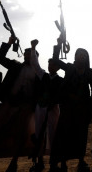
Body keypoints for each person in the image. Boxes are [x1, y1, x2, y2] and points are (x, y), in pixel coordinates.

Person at [0, 37, 39, 172]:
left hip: (26, 106)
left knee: (21, 134)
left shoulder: (39, 72)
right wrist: (9, 43)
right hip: (9, 102)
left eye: (32, 54)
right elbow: (0, 57)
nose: (28, 56)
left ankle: (14, 163)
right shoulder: (15, 65)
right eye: (27, 53)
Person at [49, 38, 92, 172]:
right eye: (80, 55)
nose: (82, 57)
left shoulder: (88, 72)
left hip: (82, 108)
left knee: (81, 135)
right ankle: (62, 162)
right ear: (75, 56)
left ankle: (81, 161)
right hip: (68, 106)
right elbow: (56, 60)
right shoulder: (69, 67)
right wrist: (58, 45)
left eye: (85, 56)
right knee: (64, 134)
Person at [29, 40, 63, 172]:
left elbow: (60, 96)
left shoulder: (61, 80)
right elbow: (34, 63)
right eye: (49, 64)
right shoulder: (43, 75)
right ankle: (39, 161)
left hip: (53, 109)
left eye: (53, 64)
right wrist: (33, 48)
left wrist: (59, 45)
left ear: (58, 67)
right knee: (39, 133)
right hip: (41, 108)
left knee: (53, 134)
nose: (50, 66)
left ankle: (54, 163)